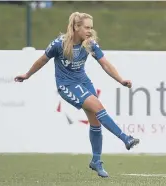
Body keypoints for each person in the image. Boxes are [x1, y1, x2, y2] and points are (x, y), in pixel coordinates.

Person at [14, 12, 140, 178]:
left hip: (84, 82)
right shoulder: (59, 44)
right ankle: (125, 138)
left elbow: (105, 64)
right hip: (67, 85)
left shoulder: (90, 44)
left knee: (96, 120)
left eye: (91, 27)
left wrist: (121, 80)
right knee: (99, 107)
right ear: (76, 27)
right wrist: (27, 75)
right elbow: (42, 60)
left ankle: (96, 161)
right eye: (86, 27)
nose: (89, 30)